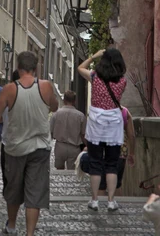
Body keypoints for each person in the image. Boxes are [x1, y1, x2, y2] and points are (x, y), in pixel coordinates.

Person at [0, 51, 58, 236]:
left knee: (14, 189)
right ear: (36, 68)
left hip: (15, 147)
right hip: (40, 147)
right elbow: (54, 107)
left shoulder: (10, 88)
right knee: (35, 193)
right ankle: (29, 233)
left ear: (18, 68)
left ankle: (12, 226)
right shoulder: (46, 86)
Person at [78, 48, 127, 212]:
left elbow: (80, 68)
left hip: (96, 125)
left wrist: (94, 55)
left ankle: (95, 200)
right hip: (113, 125)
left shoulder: (95, 77)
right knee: (112, 164)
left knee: (96, 163)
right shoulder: (122, 82)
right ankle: (111, 201)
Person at [78, 106, 135, 194]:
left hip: (101, 153)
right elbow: (132, 136)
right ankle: (115, 205)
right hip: (120, 153)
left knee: (101, 185)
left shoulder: (97, 112)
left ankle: (101, 206)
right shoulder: (124, 112)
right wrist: (132, 153)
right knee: (116, 185)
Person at [50, 90, 86, 170]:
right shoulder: (80, 116)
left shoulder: (56, 114)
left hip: (60, 146)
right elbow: (83, 134)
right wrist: (87, 145)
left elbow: (50, 132)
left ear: (64, 100)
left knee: (59, 170)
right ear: (74, 101)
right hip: (74, 148)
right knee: (72, 172)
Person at [0, 70, 20, 195]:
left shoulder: (6, 95)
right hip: (25, 140)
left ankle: (8, 189)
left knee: (7, 167)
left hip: (7, 140)